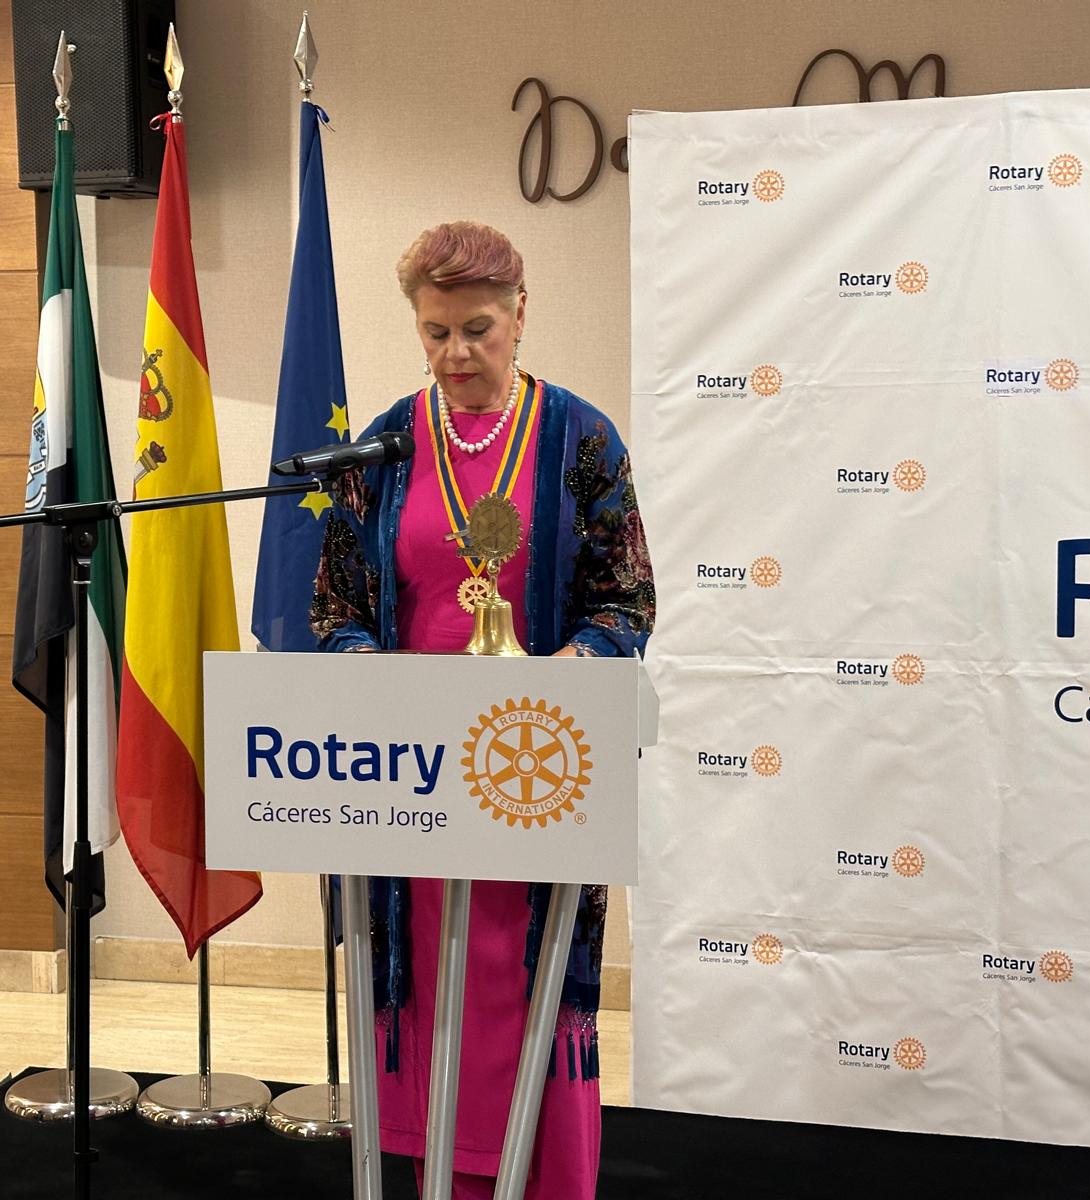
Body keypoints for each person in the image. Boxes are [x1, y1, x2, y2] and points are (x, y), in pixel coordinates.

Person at [311, 221, 654, 1200]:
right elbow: (335, 607)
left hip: (531, 769)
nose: (456, 353)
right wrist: (368, 667)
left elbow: (626, 601)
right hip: (409, 780)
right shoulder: (381, 447)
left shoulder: (582, 439)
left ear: (519, 315)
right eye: (436, 332)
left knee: (517, 980)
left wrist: (566, 672)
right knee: (423, 982)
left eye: (477, 329)